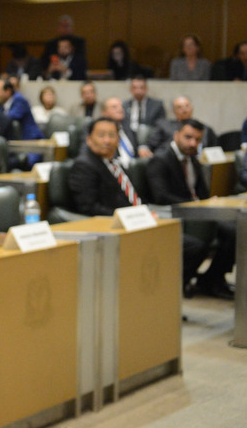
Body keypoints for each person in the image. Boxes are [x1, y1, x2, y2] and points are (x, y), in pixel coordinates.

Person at [68, 118, 208, 293]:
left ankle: (165, 292)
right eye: (101, 135)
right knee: (191, 247)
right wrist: (128, 218)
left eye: (112, 135)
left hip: (138, 224)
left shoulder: (113, 164)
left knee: (193, 245)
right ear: (89, 139)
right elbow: (88, 208)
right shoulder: (84, 165)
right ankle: (161, 291)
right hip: (118, 228)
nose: (107, 140)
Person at [147, 120, 236, 300]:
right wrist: (194, 205)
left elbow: (201, 194)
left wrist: (208, 203)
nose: (192, 143)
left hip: (196, 213)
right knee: (198, 243)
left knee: (234, 231)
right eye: (188, 137)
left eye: (197, 139)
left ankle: (212, 279)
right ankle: (182, 281)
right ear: (176, 135)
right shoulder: (161, 159)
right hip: (172, 213)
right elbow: (161, 196)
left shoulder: (193, 160)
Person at [146, 96, 217, 154]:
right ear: (173, 111)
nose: (184, 110)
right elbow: (151, 145)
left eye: (187, 106)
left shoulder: (204, 128)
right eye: (179, 107)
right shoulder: (163, 125)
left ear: (192, 108)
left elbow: (215, 149)